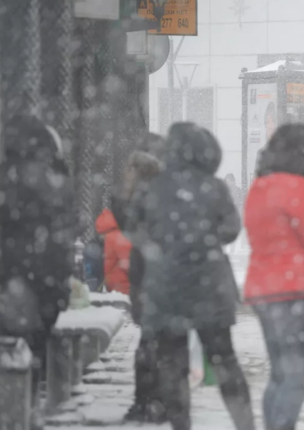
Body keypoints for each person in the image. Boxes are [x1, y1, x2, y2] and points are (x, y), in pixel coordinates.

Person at [126, 123, 254, 430]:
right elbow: (232, 229)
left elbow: (136, 231)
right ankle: (245, 424)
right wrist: (203, 238)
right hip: (210, 284)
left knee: (172, 363)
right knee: (224, 359)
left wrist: (165, 247)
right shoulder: (215, 187)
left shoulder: (152, 187)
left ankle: (181, 424)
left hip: (167, 286)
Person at [245, 124, 304, 430]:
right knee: (299, 373)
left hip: (263, 290)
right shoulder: (297, 187)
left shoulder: (259, 187)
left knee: (280, 373)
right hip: (295, 292)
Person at [0, 115, 75, 429]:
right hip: (47, 276)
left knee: (13, 347)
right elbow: (62, 232)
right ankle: (29, 408)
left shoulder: (2, 176)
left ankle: (14, 412)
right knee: (35, 345)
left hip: (14, 278)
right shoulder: (56, 177)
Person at [113, 134, 167, 423]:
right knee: (151, 344)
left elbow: (130, 225)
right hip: (148, 278)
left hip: (153, 279)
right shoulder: (149, 195)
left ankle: (150, 401)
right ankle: (151, 400)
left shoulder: (151, 197)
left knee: (151, 344)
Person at [95, 208, 132, 294]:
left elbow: (125, 262)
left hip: (120, 285)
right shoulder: (117, 237)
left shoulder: (113, 239)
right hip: (119, 284)